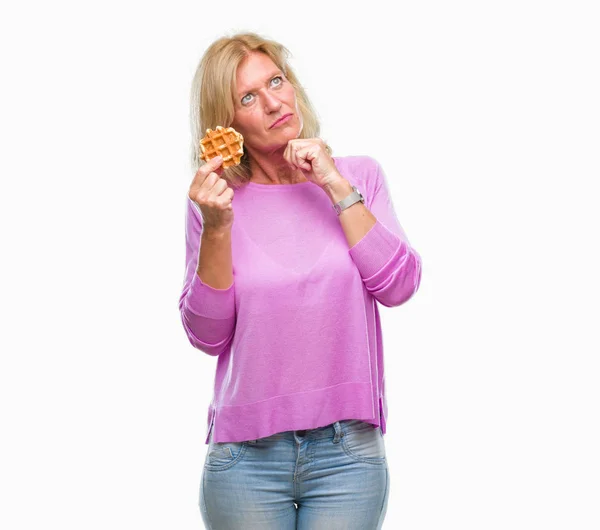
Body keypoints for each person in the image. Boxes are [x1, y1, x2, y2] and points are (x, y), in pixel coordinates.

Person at [178, 32, 422, 530]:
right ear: (226, 125)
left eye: (276, 81)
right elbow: (207, 334)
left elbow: (398, 286)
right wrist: (218, 228)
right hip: (244, 458)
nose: (272, 102)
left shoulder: (358, 175)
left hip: (347, 454)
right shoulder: (215, 200)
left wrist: (334, 185)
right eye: (248, 97)